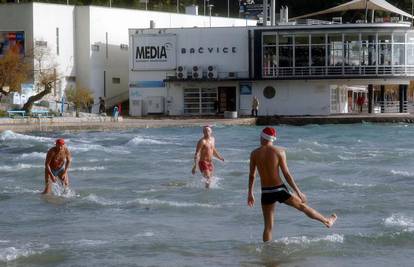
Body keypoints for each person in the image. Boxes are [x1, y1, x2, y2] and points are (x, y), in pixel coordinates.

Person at [248, 127, 337, 242]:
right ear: (273, 139)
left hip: (266, 192)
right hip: (279, 189)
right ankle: (327, 221)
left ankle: (267, 254)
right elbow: (286, 174)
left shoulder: (254, 153)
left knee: (268, 227)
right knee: (303, 207)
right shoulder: (279, 151)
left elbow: (252, 175)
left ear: (262, 137)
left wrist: (250, 193)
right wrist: (298, 192)